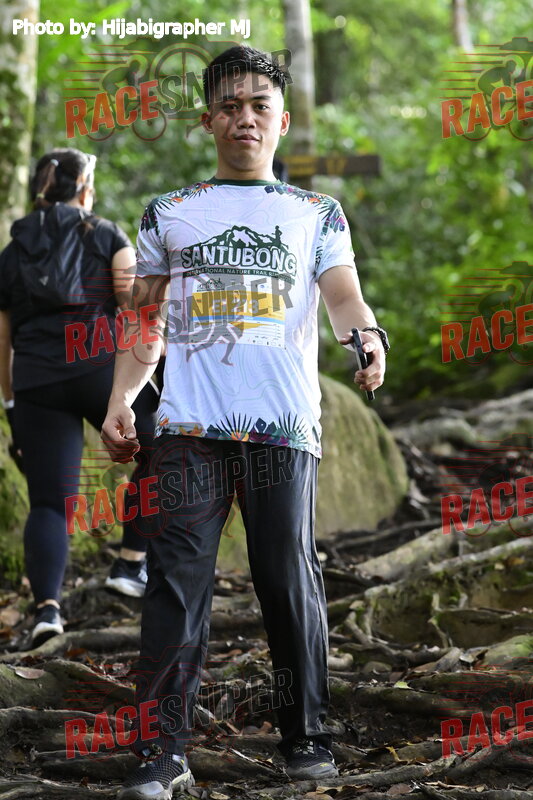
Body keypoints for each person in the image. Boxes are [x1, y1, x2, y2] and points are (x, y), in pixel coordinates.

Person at [101, 46, 388, 799]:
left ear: (281, 121)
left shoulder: (316, 213)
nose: (245, 119)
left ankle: (306, 738)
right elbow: (145, 321)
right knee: (174, 585)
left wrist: (366, 337)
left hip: (281, 427)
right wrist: (122, 399)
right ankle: (161, 754)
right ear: (208, 120)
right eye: (230, 106)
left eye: (260, 105)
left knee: (287, 581)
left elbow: (343, 296)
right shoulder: (168, 212)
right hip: (188, 427)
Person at [0, 148, 160, 647]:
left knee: (49, 503)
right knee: (160, 450)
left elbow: (2, 339)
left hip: (35, 382)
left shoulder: (11, 252)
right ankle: (131, 563)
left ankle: (47, 611)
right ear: (85, 191)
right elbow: (136, 307)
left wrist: (11, 403)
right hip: (97, 369)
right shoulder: (107, 234)